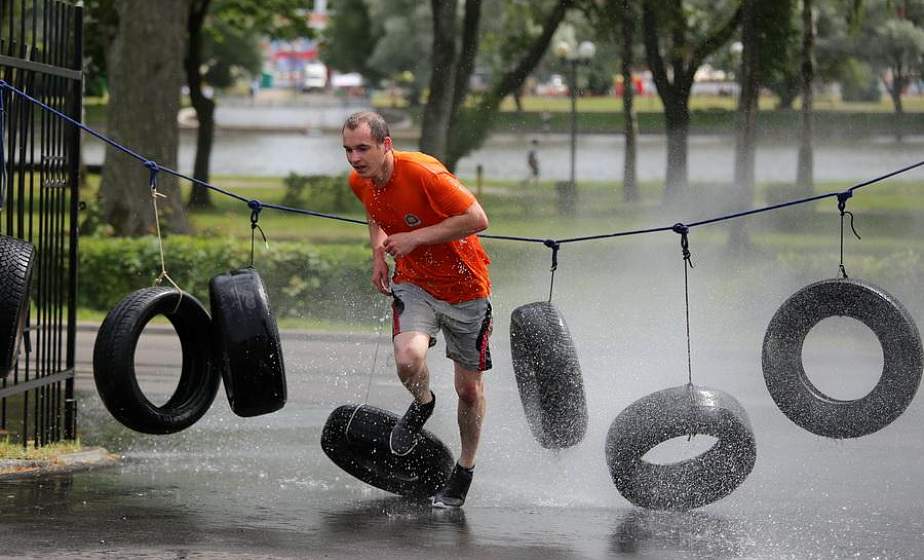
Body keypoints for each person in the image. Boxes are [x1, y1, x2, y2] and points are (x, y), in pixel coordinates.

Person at [341, 111, 493, 509]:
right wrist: (378, 253)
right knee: (408, 359)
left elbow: (478, 218)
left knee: (469, 390)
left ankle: (465, 468)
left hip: (466, 288)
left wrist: (414, 238)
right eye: (348, 150)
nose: (355, 159)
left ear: (386, 144)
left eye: (363, 149)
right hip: (415, 283)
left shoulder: (424, 173)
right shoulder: (360, 180)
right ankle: (424, 403)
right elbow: (375, 211)